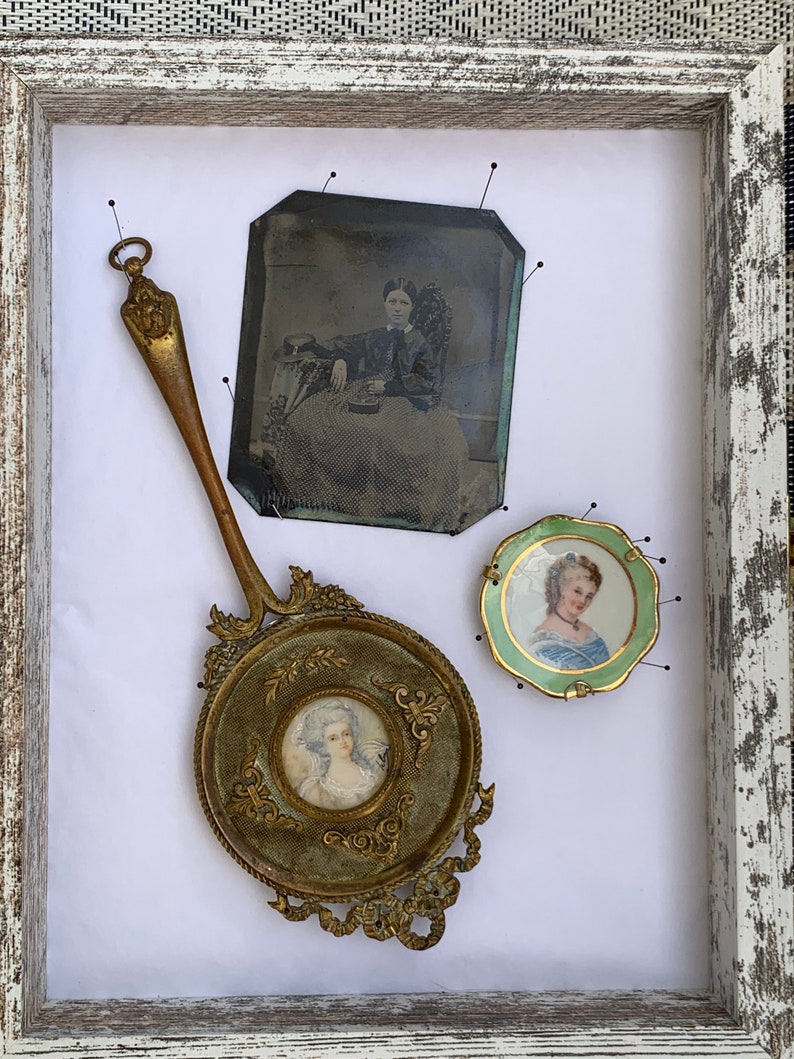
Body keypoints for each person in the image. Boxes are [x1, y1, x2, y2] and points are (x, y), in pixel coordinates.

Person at [273, 277, 468, 529]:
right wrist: (341, 359)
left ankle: (387, 504)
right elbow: (344, 343)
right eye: (392, 302)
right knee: (310, 419)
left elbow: (428, 379)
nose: (397, 308)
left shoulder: (419, 342)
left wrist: (389, 387)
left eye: (403, 303)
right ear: (384, 304)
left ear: (412, 307)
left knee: (378, 433)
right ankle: (316, 496)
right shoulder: (376, 335)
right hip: (365, 391)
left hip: (403, 400)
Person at [294, 701, 387, 811]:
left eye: (346, 734)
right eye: (333, 738)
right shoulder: (317, 789)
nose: (342, 741)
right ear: (322, 745)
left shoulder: (370, 774)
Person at [525, 552, 611, 670]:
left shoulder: (591, 634)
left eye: (589, 596)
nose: (583, 601)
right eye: (577, 592)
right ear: (562, 589)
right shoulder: (543, 640)